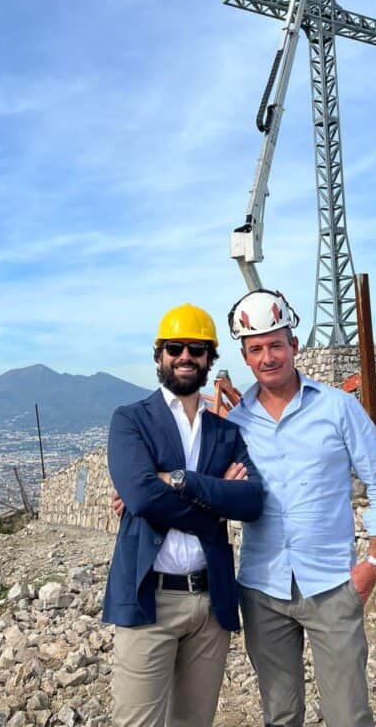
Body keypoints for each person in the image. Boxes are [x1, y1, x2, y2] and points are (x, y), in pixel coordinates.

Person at [225, 288, 376, 727]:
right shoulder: (234, 425)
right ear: (246, 357)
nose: (268, 357)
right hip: (262, 588)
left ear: (294, 346)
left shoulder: (339, 409)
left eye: (276, 345)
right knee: (280, 715)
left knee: (349, 714)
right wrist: (138, 495)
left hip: (331, 586)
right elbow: (201, 486)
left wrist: (373, 561)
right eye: (257, 349)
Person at [103, 302, 264, 727]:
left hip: (211, 605)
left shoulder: (226, 431)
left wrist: (178, 480)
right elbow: (140, 497)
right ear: (159, 356)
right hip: (147, 600)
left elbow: (251, 502)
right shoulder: (130, 421)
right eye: (176, 347)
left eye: (197, 348)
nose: (185, 356)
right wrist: (216, 499)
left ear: (211, 358)